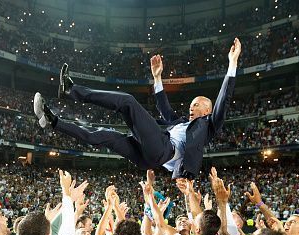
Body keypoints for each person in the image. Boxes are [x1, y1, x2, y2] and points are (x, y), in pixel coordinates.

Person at [33, 38, 242, 180]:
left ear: (207, 110)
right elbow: (164, 108)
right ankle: (53, 121)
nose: (191, 107)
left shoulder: (208, 127)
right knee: (103, 136)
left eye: (196, 104)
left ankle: (71, 90)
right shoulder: (180, 123)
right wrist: (158, 77)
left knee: (128, 102)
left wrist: (232, 64)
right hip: (147, 156)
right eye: (191, 104)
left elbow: (223, 102)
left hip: (163, 149)